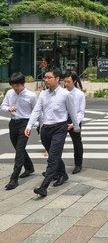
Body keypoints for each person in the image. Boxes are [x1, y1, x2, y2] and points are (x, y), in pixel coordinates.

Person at [24, 68, 80, 197]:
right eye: (45, 77)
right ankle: (63, 174)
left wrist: (76, 126)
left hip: (60, 128)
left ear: (57, 79)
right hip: (45, 129)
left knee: (52, 158)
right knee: (54, 155)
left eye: (49, 77)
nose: (46, 80)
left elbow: (72, 112)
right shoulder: (43, 94)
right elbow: (36, 111)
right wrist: (29, 125)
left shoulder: (65, 95)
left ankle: (44, 187)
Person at [0, 73, 38, 190]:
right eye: (13, 85)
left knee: (19, 151)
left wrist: (35, 126)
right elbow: (3, 106)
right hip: (13, 123)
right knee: (18, 148)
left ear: (23, 84)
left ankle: (14, 179)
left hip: (25, 124)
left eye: (17, 85)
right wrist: (8, 108)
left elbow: (36, 112)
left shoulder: (31, 96)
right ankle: (29, 167)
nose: (15, 88)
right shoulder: (10, 93)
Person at [63, 71, 86, 174]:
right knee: (57, 144)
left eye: (69, 82)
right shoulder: (61, 93)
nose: (66, 84)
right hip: (62, 120)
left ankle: (78, 164)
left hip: (74, 120)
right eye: (65, 81)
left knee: (77, 143)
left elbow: (81, 112)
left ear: (74, 81)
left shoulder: (79, 94)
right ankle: (54, 167)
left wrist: (74, 124)